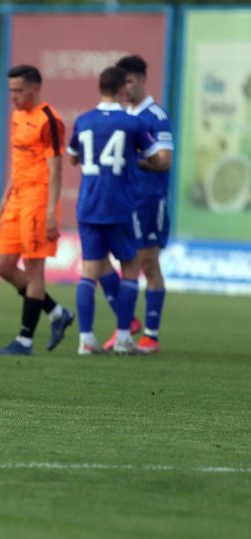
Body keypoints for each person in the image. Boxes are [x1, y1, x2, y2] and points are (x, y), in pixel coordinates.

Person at [66, 67, 172, 355]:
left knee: (89, 271)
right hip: (121, 205)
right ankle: (125, 336)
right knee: (130, 270)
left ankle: (86, 339)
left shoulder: (84, 120)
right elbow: (154, 157)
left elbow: (73, 158)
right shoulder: (131, 123)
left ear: (99, 87)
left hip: (88, 205)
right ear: (122, 90)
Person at [0, 65, 75, 356]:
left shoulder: (50, 120)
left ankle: (25, 340)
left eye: (18, 90)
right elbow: (20, 161)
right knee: (3, 265)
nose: (13, 96)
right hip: (16, 197)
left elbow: (56, 170)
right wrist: (6, 194)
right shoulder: (17, 116)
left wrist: (52, 211)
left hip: (39, 199)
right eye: (10, 90)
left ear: (34, 88)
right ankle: (55, 312)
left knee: (33, 268)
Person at [97, 55, 175, 354]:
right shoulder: (121, 115)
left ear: (143, 79)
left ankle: (151, 336)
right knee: (99, 259)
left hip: (148, 200)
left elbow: (164, 161)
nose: (125, 87)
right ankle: (127, 321)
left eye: (130, 81)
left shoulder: (156, 115)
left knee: (147, 264)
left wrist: (133, 161)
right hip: (122, 200)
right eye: (122, 81)